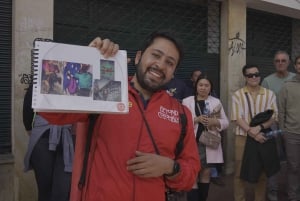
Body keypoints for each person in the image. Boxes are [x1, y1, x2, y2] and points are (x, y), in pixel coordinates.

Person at [39, 31, 201, 201]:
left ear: (173, 72)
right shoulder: (107, 90)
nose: (160, 65)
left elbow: (190, 175)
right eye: (156, 55)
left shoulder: (180, 113)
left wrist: (170, 167)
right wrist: (86, 63)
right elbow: (51, 112)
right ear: (138, 57)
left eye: (169, 63)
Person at [231, 64, 279, 201]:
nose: (254, 77)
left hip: (263, 135)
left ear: (260, 75)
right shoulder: (238, 95)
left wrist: (260, 128)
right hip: (242, 137)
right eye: (250, 75)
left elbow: (274, 117)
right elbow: (237, 117)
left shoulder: (269, 94)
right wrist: (253, 133)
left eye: (256, 74)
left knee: (262, 172)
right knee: (240, 172)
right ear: (245, 77)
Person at [23, 85, 75, 201]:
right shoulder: (42, 75)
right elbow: (28, 106)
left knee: (63, 191)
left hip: (67, 137)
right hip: (43, 136)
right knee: (45, 190)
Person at [182, 75, 229, 201]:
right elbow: (181, 121)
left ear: (210, 88)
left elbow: (226, 123)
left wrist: (215, 122)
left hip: (209, 142)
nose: (203, 88)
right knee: (193, 174)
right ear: (196, 86)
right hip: (192, 143)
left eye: (206, 85)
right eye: (200, 85)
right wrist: (196, 119)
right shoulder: (187, 101)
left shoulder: (216, 102)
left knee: (206, 173)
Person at [261, 50, 295, 201]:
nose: (280, 63)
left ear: (289, 62)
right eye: (277, 61)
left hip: (293, 125)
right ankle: (273, 190)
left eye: (283, 60)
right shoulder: (267, 81)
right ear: (274, 63)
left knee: (294, 161)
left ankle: (292, 191)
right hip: (274, 125)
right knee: (274, 159)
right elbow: (263, 105)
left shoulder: (296, 79)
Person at [278, 55, 300, 201]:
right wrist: (283, 132)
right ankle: (293, 196)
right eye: (299, 63)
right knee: (294, 167)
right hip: (292, 134)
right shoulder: (287, 86)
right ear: (295, 66)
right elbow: (281, 111)